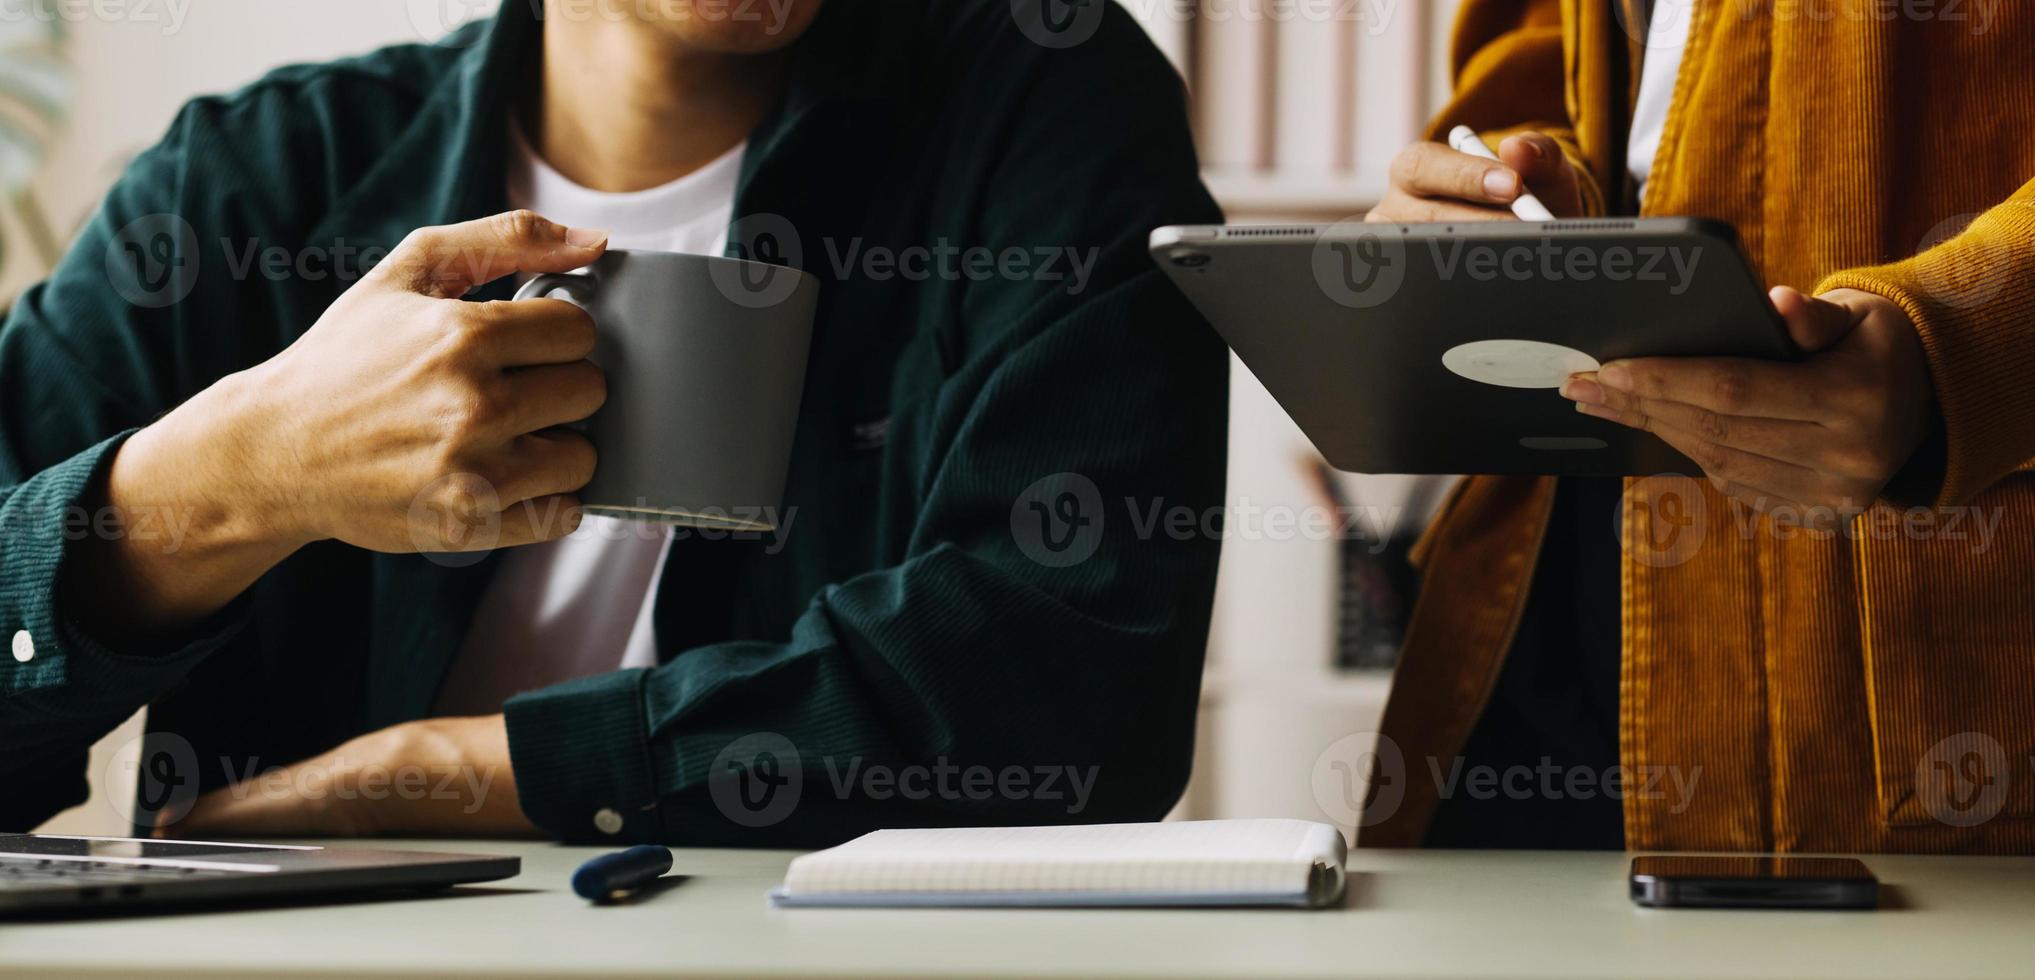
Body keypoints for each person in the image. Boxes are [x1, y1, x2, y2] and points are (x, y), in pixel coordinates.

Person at [0, 0, 1228, 844]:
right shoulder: (255, 179)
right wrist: (231, 485)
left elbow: (1074, 685)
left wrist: (447, 773)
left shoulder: (1040, 103)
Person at [1361, 0, 2035, 852]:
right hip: (1557, 556)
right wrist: (1515, 176)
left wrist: (1971, 343)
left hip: (1913, 586)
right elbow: (1538, 51)